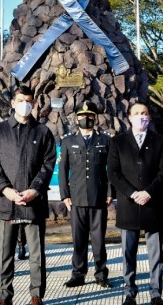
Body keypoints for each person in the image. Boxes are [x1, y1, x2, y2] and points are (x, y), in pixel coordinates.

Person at [0, 86, 57, 305]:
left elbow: (49, 163)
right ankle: (4, 296)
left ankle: (36, 295)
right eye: (20, 100)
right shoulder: (0, 130)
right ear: (13, 103)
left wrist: (35, 189)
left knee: (37, 254)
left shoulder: (43, 132)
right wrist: (5, 189)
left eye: (28, 100)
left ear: (33, 103)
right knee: (5, 254)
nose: (24, 104)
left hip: (33, 201)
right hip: (7, 202)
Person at [108, 102, 163, 305]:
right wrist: (132, 193)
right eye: (137, 113)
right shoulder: (118, 142)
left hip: (152, 203)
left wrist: (149, 192)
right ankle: (129, 291)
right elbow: (113, 172)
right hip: (129, 204)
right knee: (128, 252)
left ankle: (156, 292)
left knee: (155, 253)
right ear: (129, 116)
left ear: (150, 117)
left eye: (144, 113)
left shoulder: (160, 141)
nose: (141, 116)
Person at [59, 101, 114, 289]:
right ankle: (78, 274)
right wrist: (65, 195)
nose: (86, 119)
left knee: (98, 239)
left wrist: (109, 192)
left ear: (95, 118)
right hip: (77, 197)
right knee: (79, 239)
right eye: (82, 116)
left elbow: (111, 170)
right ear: (77, 119)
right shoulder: (68, 141)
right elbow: (63, 169)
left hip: (99, 196)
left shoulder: (105, 140)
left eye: (90, 116)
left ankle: (101, 274)